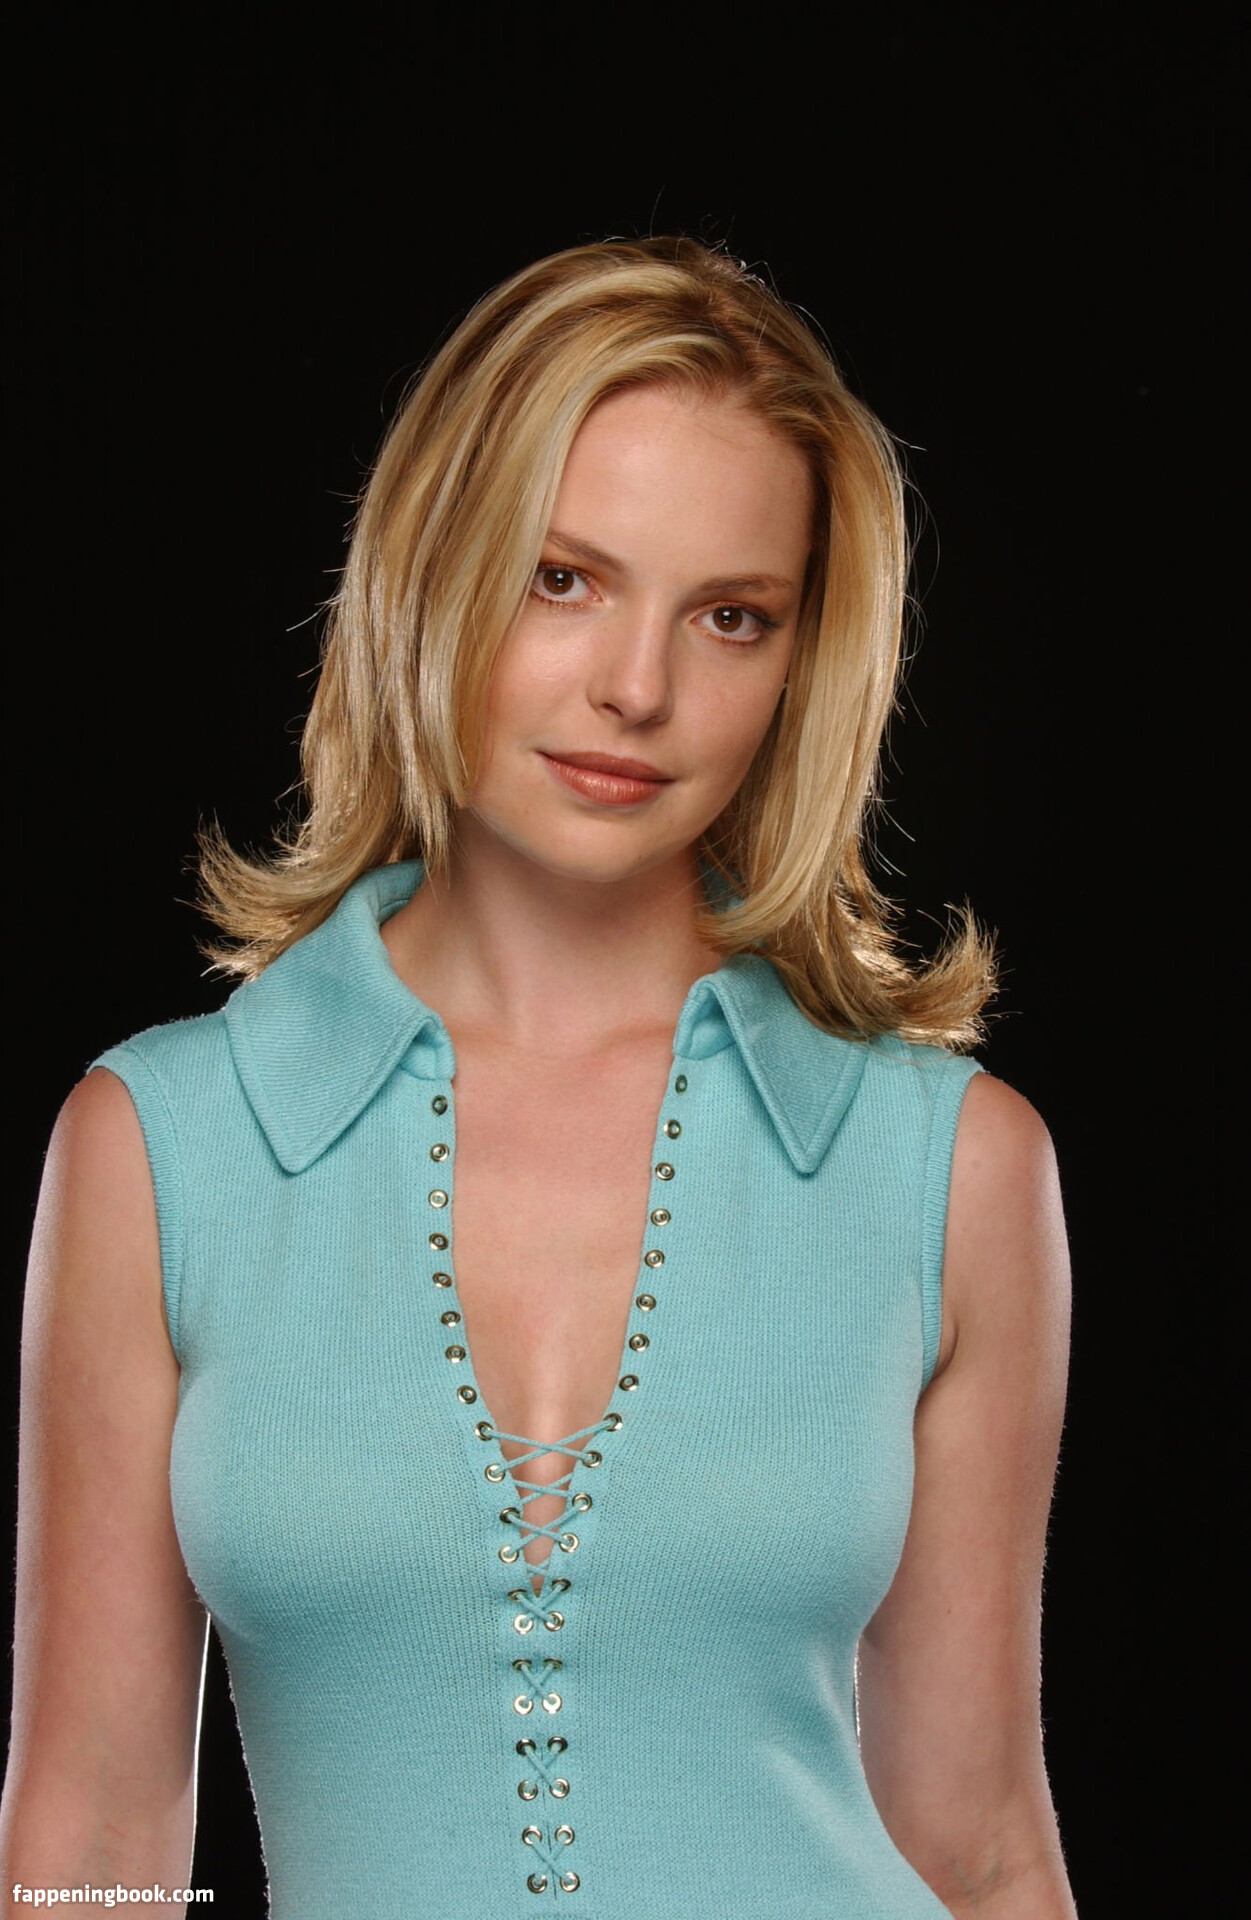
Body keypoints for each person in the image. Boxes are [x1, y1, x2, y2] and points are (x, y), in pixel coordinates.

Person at [0, 236, 1077, 1917]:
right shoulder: (163, 1149)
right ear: (434, 566)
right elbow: (89, 1844)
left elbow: (982, 1839)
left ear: (802, 663)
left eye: (731, 617)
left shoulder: (951, 1168)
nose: (638, 689)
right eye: (563, 580)